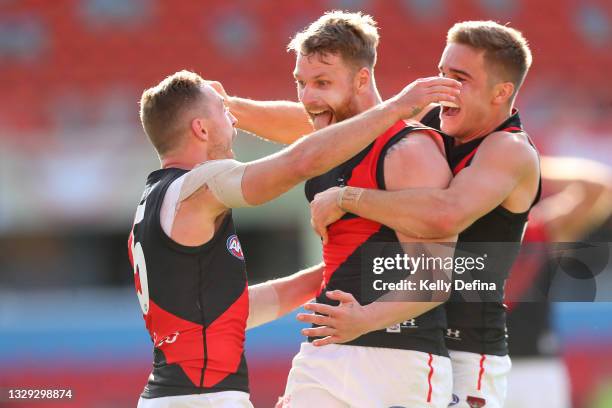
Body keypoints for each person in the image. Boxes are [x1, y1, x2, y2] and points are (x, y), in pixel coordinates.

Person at [127, 69, 460, 407]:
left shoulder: (153, 202)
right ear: (201, 128)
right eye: (224, 112)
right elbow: (301, 161)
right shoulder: (199, 185)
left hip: (172, 394)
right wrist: (396, 109)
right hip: (204, 398)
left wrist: (338, 267)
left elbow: (228, 311)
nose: (234, 122)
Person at [304, 21, 541, 408]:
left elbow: (446, 215)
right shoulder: (437, 120)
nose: (444, 86)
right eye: (442, 72)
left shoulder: (509, 149)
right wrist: (234, 109)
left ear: (501, 92)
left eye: (460, 78)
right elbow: (343, 125)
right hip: (411, 339)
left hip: (468, 351)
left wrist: (347, 197)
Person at [504, 156, 612, 408]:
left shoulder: (539, 229)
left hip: (536, 367)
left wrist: (524, 162)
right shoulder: (460, 225)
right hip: (475, 363)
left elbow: (597, 186)